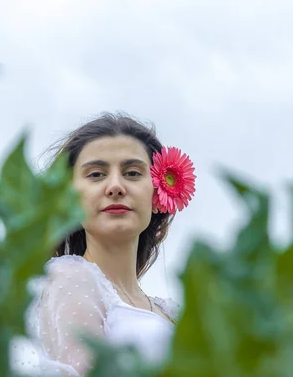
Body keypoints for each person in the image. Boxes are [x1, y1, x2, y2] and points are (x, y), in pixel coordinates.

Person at [25, 112, 196, 376]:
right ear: (69, 196)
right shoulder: (70, 277)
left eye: (132, 173)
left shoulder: (172, 312)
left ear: (158, 191)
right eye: (96, 174)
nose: (115, 186)